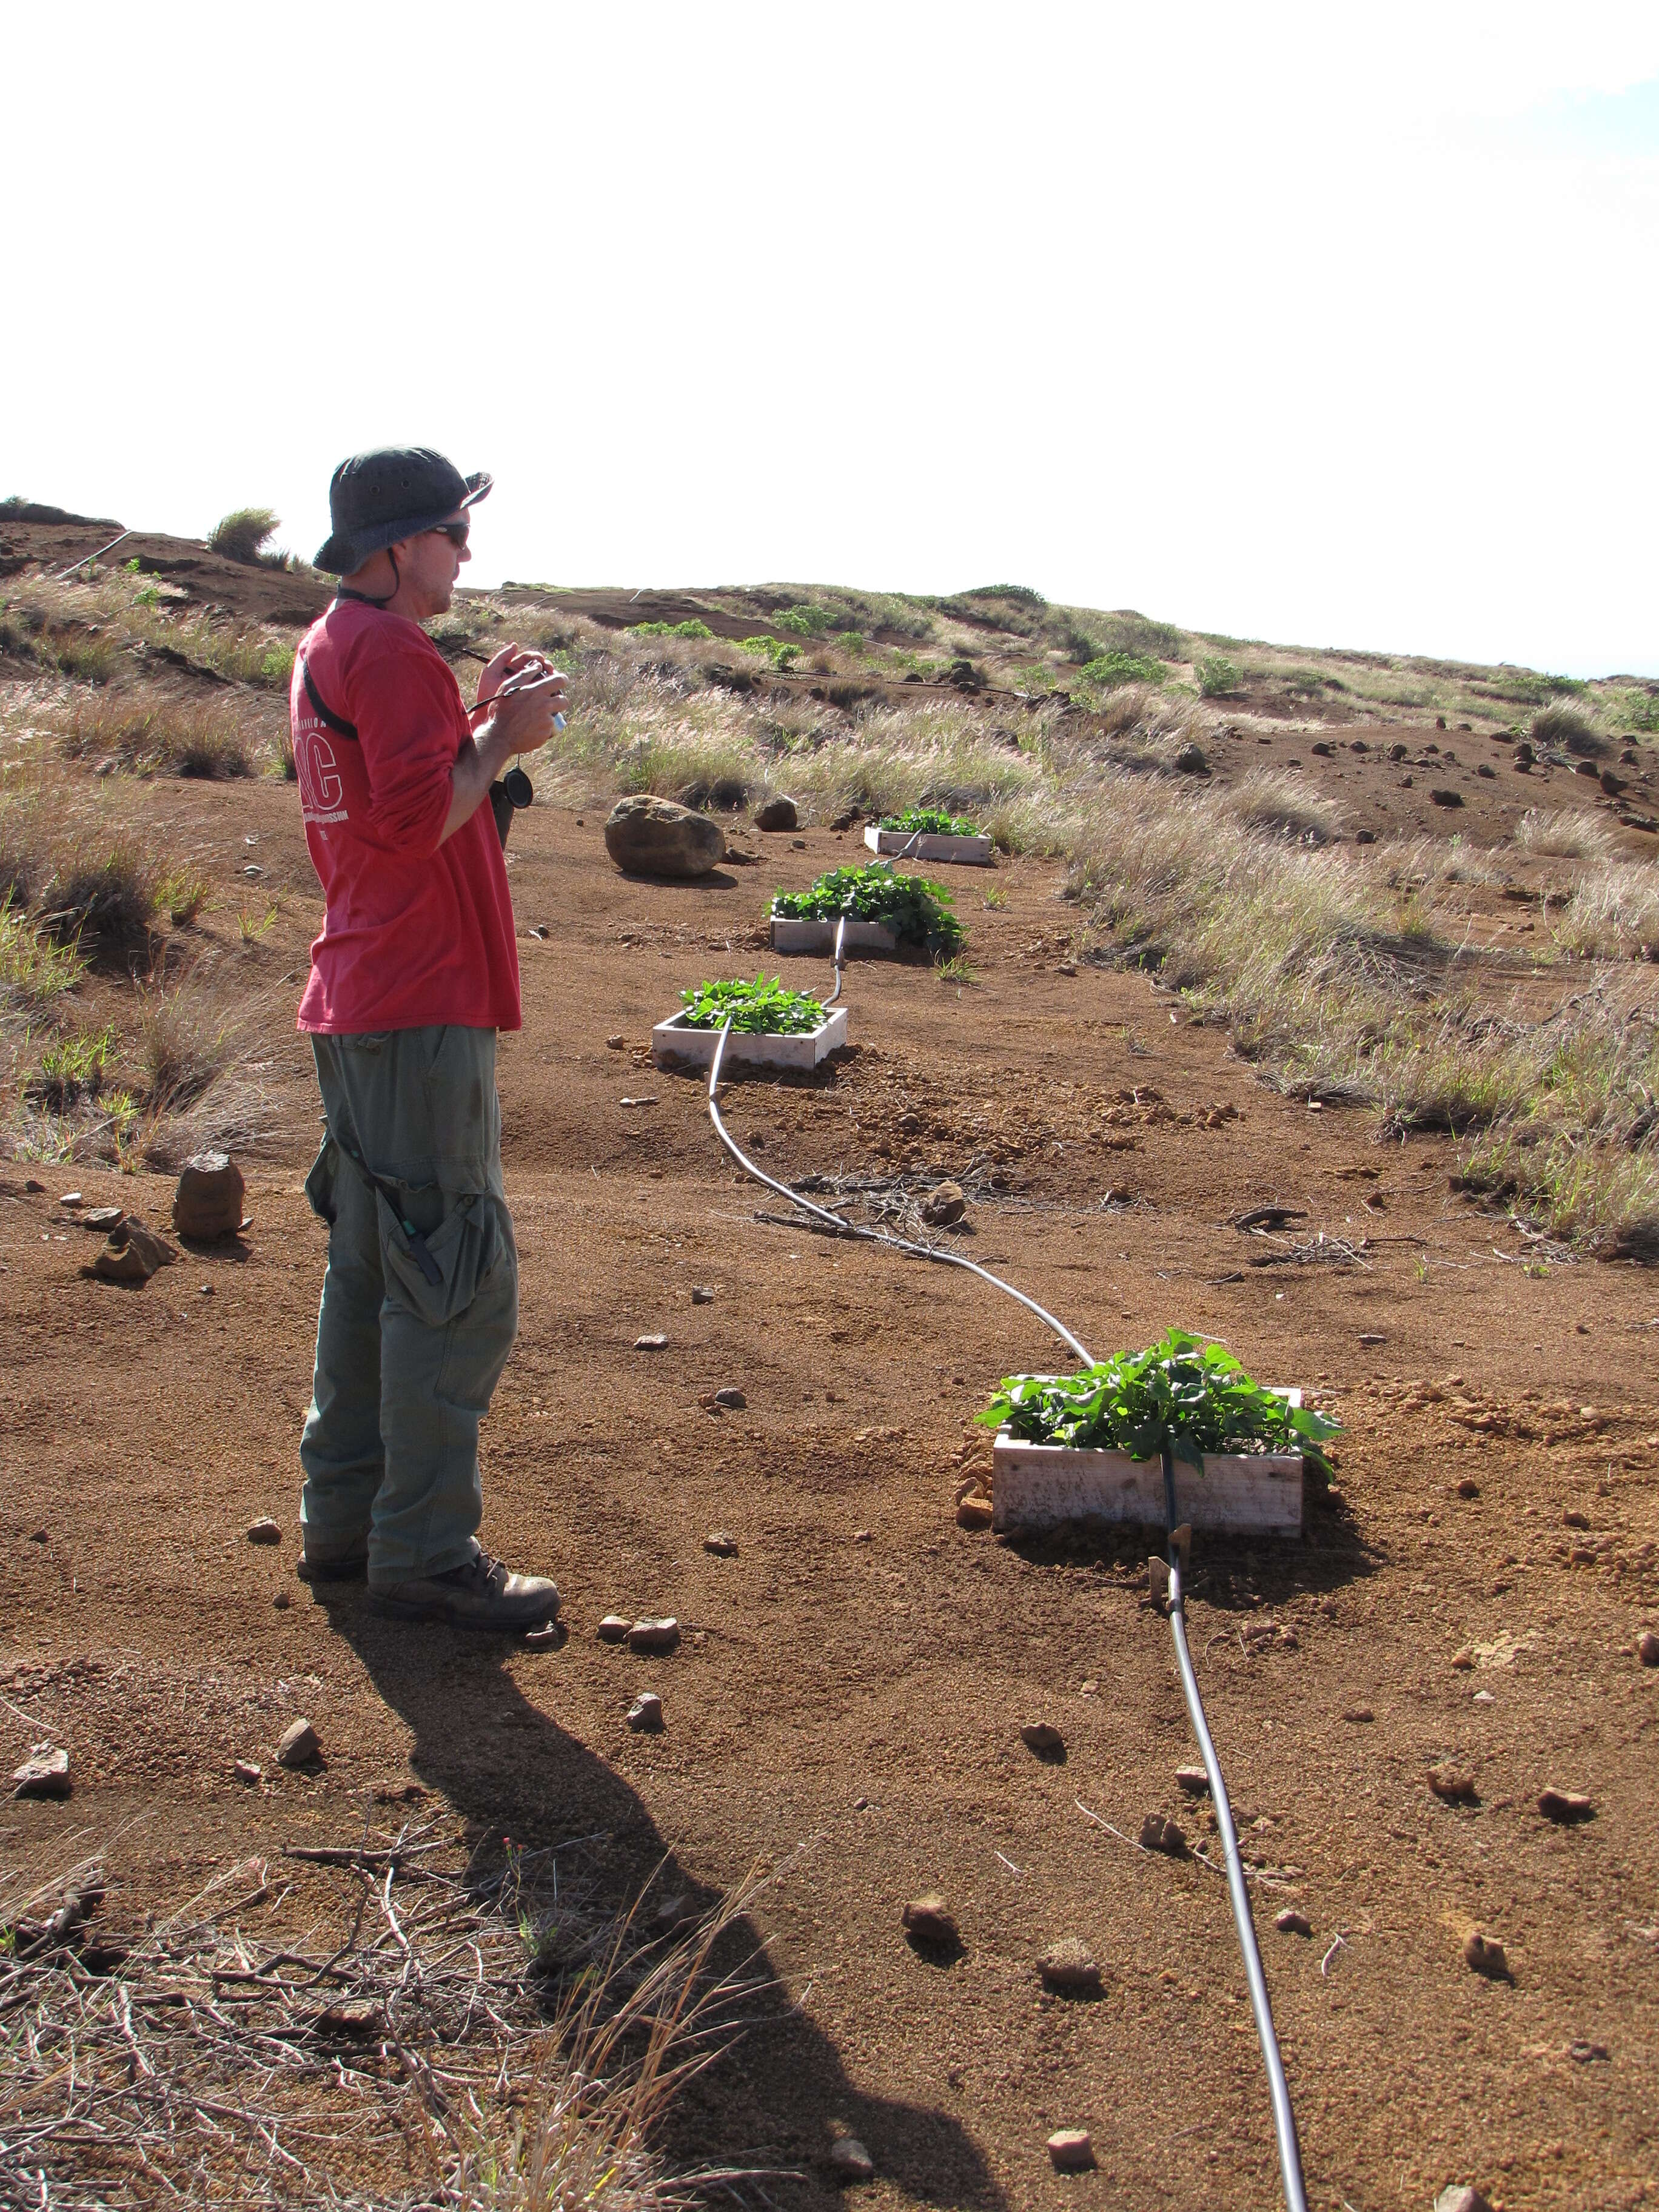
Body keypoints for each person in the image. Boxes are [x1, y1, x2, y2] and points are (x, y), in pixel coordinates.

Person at [288, 446, 566, 1632]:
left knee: (370, 1274)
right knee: (453, 1277)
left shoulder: (336, 644)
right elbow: (416, 823)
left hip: (361, 994)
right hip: (415, 1000)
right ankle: (424, 1551)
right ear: (399, 550)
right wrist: (503, 738)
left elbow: (408, 793)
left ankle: (346, 1530)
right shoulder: (391, 650)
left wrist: (483, 719)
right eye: (454, 532)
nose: (468, 552)